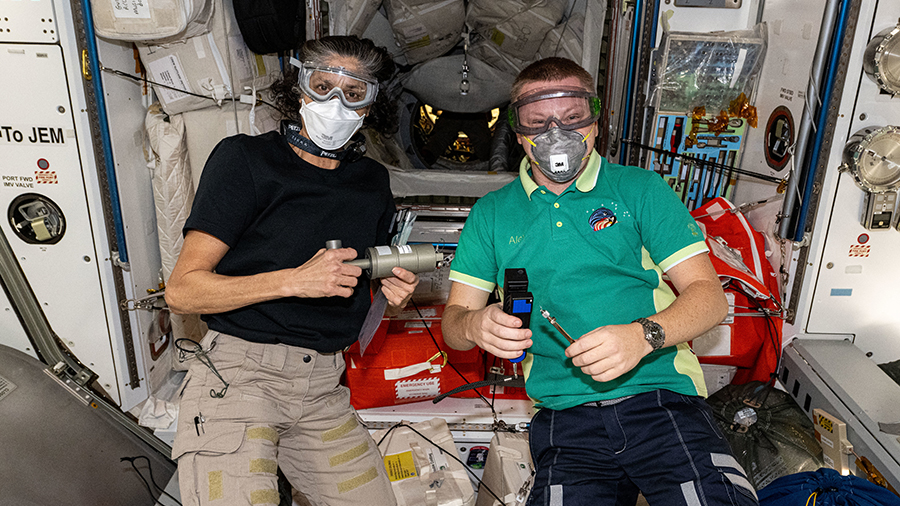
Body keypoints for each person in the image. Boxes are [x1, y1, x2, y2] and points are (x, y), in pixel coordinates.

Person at [441, 57, 758, 506]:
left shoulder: (641, 190)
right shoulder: (491, 215)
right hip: (563, 416)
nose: (557, 133)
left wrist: (643, 337)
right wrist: (475, 326)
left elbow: (709, 299)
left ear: (595, 124)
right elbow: (453, 326)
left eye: (572, 118)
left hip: (662, 400)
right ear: (517, 134)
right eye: (537, 122)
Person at [165, 36, 418, 506]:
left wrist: (388, 290)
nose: (336, 104)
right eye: (323, 86)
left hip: (322, 385)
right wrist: (292, 280)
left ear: (372, 104)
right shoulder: (245, 159)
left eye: (354, 93)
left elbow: (355, 282)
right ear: (298, 87)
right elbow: (182, 292)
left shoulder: (371, 183)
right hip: (239, 376)